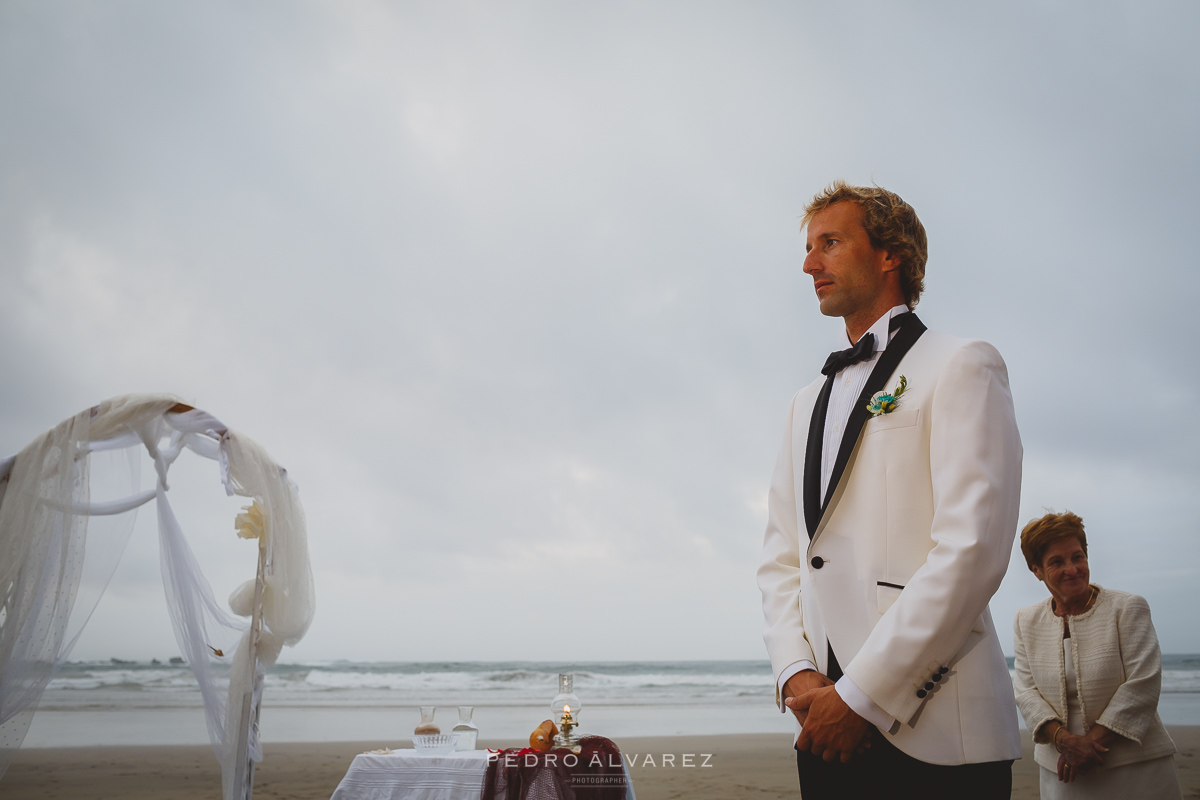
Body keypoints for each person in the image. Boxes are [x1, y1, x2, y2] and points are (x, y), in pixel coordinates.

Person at [757, 181, 1023, 799]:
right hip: (821, 726)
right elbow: (782, 557)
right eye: (807, 247)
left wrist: (863, 695)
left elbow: (971, 551)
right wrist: (797, 674)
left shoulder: (962, 364)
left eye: (830, 243)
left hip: (935, 731)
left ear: (889, 254)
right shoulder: (803, 404)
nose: (808, 264)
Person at [1013, 511, 1183, 799]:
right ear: (1037, 570)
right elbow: (1026, 691)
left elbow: (1144, 683)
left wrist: (1087, 746)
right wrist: (1065, 742)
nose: (1072, 568)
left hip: (1134, 765)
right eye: (1057, 562)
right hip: (1061, 768)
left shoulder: (1127, 608)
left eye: (1078, 557)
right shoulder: (1025, 621)